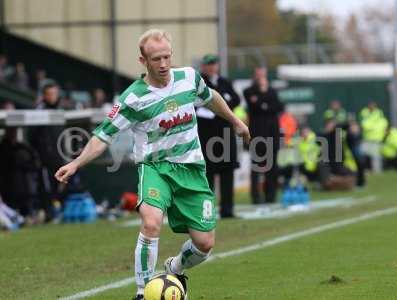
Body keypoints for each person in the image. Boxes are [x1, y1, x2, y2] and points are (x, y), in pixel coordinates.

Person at [54, 29, 250, 300]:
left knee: (204, 244)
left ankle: (174, 267)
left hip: (191, 168)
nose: (163, 64)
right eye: (156, 59)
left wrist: (235, 121)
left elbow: (212, 97)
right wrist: (76, 163)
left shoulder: (189, 78)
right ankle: (143, 292)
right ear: (142, 60)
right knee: (151, 223)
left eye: (167, 57)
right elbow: (103, 136)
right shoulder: (132, 98)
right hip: (155, 168)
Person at [196, 54, 240, 218]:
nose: (211, 67)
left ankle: (228, 209)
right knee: (208, 175)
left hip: (225, 135)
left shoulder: (224, 82)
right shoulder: (199, 83)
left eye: (214, 64)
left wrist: (220, 104)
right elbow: (200, 103)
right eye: (208, 64)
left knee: (227, 172)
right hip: (207, 136)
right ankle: (207, 211)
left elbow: (234, 99)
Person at [243, 67, 283, 204]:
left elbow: (278, 107)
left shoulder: (272, 91)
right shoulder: (249, 91)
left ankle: (271, 196)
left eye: (263, 75)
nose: (261, 77)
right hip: (257, 135)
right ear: (254, 76)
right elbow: (255, 106)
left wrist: (262, 102)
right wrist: (264, 103)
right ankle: (256, 197)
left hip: (272, 135)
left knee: (272, 168)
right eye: (258, 74)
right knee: (256, 168)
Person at [29, 82, 66, 221]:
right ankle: (49, 214)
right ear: (44, 95)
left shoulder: (63, 110)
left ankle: (60, 212)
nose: (52, 97)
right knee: (46, 188)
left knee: (61, 187)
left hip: (60, 157)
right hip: (44, 159)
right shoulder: (38, 111)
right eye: (49, 94)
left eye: (54, 93)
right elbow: (32, 137)